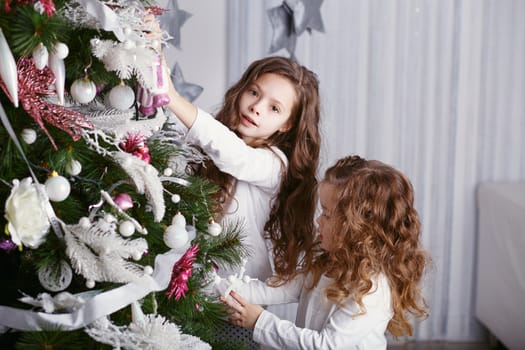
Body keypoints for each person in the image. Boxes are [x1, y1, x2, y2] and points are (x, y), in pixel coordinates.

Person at [218, 155, 430, 349]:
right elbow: (277, 290)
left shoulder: (372, 289)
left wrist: (259, 321)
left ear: (358, 229)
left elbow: (326, 345)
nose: (318, 221)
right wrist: (218, 287)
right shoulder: (326, 263)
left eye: (327, 215)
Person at [164, 56, 321, 283]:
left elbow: (234, 156)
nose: (256, 107)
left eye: (274, 108)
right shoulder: (217, 141)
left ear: (287, 124)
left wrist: (173, 98)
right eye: (254, 93)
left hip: (240, 289)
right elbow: (175, 126)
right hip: (196, 275)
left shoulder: (275, 165)